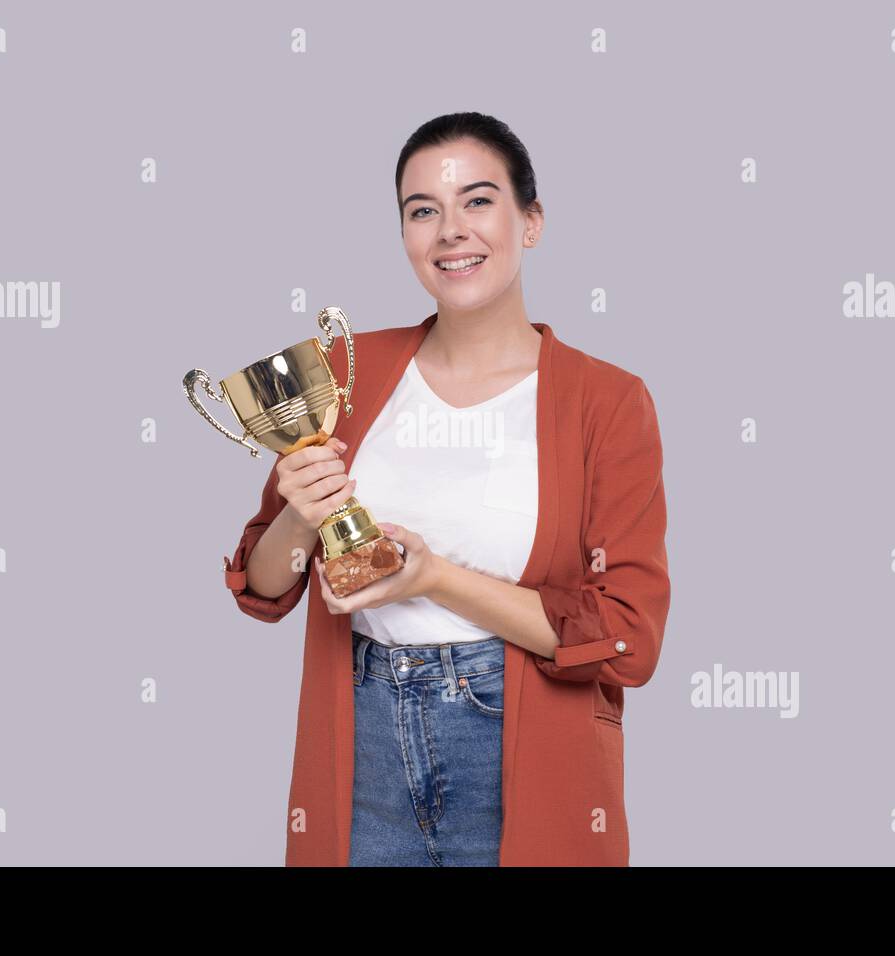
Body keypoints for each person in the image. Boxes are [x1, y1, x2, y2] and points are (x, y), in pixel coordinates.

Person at [228, 112, 671, 866]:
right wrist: (297, 518)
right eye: (422, 210)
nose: (449, 231)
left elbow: (628, 640)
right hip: (361, 745)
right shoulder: (347, 369)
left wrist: (432, 578)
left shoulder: (607, 401)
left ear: (530, 221)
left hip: (515, 748)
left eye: (478, 200)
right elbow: (265, 587)